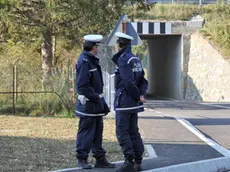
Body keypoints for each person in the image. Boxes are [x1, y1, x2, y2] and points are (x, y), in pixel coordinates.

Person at [75, 34, 115, 169]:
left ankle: (100, 158)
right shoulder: (84, 61)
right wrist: (96, 98)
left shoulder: (92, 60)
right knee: (86, 132)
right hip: (88, 105)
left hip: (95, 104)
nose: (99, 49)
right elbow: (82, 86)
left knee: (98, 132)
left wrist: (100, 101)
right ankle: (82, 158)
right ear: (92, 47)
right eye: (97, 46)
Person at [112, 32, 148, 172]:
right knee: (134, 131)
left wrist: (137, 95)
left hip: (125, 102)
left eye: (116, 44)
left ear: (119, 45)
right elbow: (143, 81)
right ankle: (138, 162)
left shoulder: (123, 59)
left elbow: (128, 81)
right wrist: (141, 94)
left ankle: (129, 162)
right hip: (133, 103)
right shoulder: (135, 59)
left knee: (122, 131)